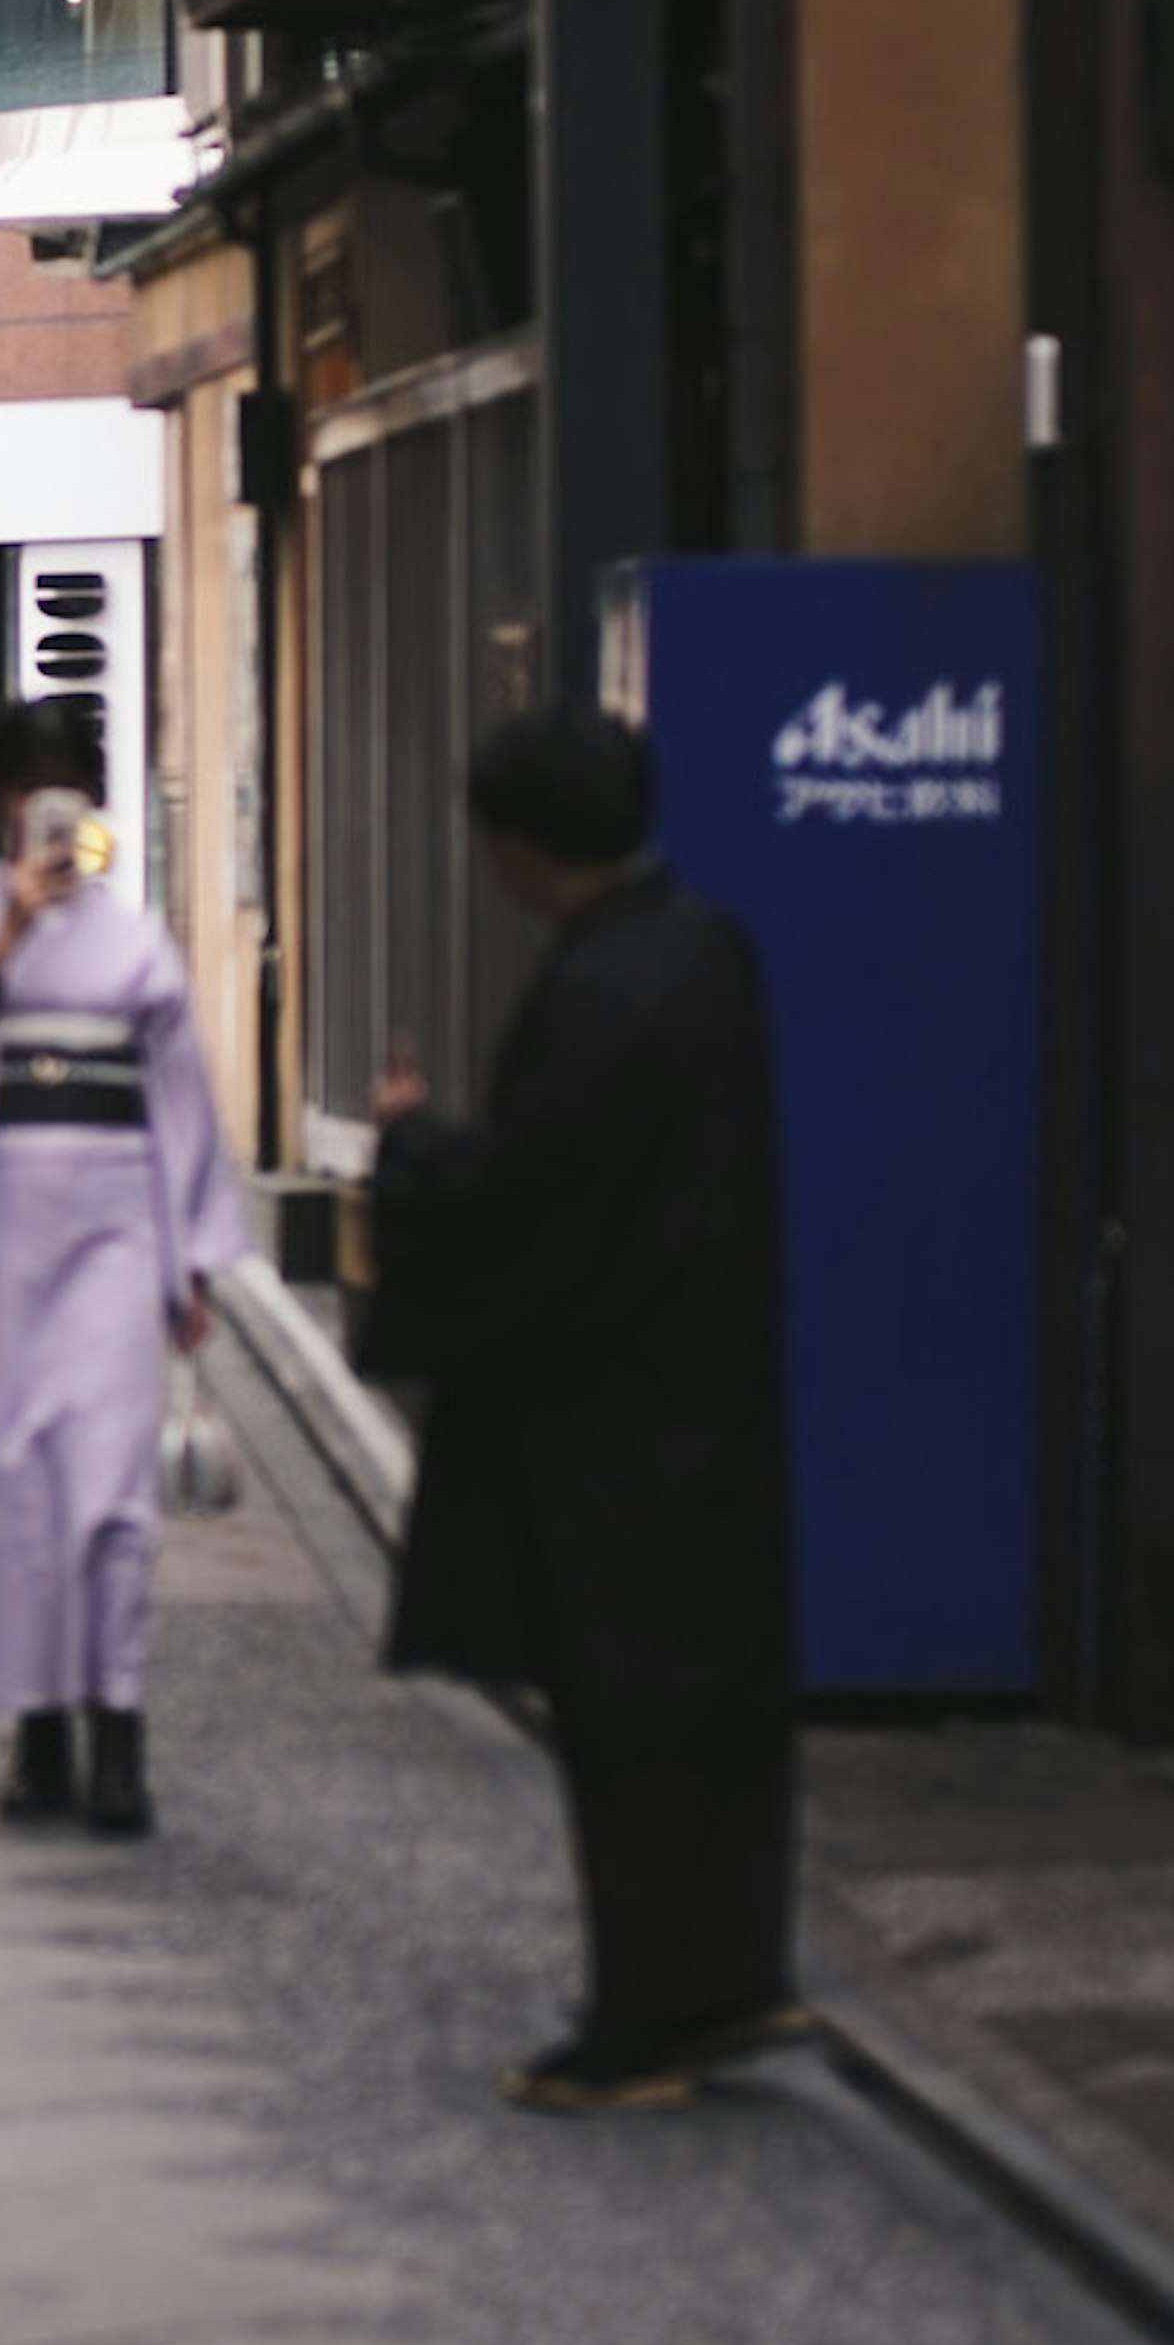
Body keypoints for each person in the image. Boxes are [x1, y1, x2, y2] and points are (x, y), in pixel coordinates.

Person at [367, 703, 805, 2117]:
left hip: (612, 1413)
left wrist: (414, 1151)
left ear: (519, 840)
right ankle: (732, 1972)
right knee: (719, 1693)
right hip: (713, 1375)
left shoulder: (597, 993)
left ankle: (643, 2020)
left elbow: (535, 1196)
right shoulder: (704, 950)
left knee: (627, 1716)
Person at [0, 697, 243, 1836]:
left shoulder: (135, 944)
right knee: (9, 1485)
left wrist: (194, 1261)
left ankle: (117, 1724)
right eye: (29, 791)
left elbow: (181, 1110)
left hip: (115, 1228)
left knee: (112, 1485)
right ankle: (39, 1731)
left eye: (67, 792)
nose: (46, 815)